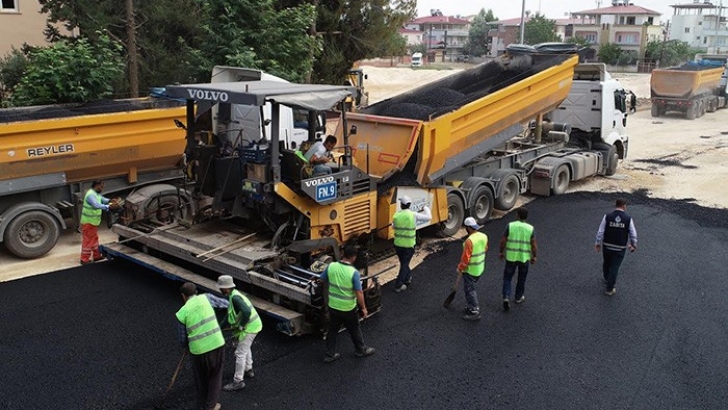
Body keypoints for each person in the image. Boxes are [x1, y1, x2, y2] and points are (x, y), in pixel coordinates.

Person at [176, 282, 227, 410]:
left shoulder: (182, 313)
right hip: (216, 344)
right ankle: (210, 406)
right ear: (196, 292)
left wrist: (186, 346)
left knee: (201, 378)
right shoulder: (207, 298)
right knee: (215, 376)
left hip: (198, 351)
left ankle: (203, 403)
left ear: (183, 296)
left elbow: (182, 338)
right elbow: (225, 304)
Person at [321, 245, 375, 362]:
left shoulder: (332, 266)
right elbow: (359, 293)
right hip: (348, 308)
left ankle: (330, 354)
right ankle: (360, 350)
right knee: (354, 329)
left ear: (343, 254)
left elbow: (322, 279)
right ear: (354, 258)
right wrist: (364, 308)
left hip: (333, 306)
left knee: (332, 330)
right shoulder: (353, 273)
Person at [216, 275, 262, 392]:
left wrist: (241, 325)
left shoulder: (235, 298)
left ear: (225, 288)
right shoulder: (233, 295)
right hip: (253, 325)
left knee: (240, 353)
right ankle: (248, 369)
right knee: (245, 347)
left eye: (221, 288)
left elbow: (246, 311)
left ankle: (238, 381)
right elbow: (229, 315)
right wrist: (219, 328)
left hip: (249, 327)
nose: (220, 290)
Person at [595, 198, 638, 296]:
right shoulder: (628, 219)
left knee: (607, 263)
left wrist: (598, 243)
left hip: (607, 246)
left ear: (616, 205)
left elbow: (600, 231)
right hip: (620, 248)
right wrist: (633, 244)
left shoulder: (607, 217)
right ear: (624, 206)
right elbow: (633, 234)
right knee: (615, 267)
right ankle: (609, 289)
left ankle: (607, 278)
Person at [499, 207, 538, 311]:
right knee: (522, 278)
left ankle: (506, 297)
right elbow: (534, 245)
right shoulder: (530, 228)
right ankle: (518, 297)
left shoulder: (510, 226)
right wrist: (534, 256)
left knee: (507, 278)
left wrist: (501, 252)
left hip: (511, 257)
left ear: (517, 215)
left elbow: (503, 241)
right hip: (524, 258)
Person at [392, 195, 432, 293]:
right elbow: (429, 217)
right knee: (405, 265)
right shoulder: (413, 215)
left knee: (404, 263)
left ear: (401, 205)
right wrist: (425, 208)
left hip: (398, 245)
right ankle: (398, 285)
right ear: (409, 205)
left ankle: (408, 278)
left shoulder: (396, 215)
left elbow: (393, 226)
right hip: (409, 245)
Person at [457, 217, 488, 321]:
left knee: (469, 290)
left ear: (468, 228)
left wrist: (460, 268)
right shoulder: (484, 236)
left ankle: (475, 310)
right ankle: (470, 306)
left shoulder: (469, 241)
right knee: (469, 288)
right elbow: (485, 248)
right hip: (480, 267)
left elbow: (465, 258)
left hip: (470, 270)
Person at [79, 180, 115, 265]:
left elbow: (102, 199)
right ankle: (84, 259)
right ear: (97, 185)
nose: (102, 188)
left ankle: (97, 256)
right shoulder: (91, 195)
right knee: (88, 241)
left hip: (93, 223)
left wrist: (110, 200)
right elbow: (96, 205)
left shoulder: (96, 193)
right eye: (101, 186)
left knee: (94, 239)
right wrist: (109, 206)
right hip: (88, 223)